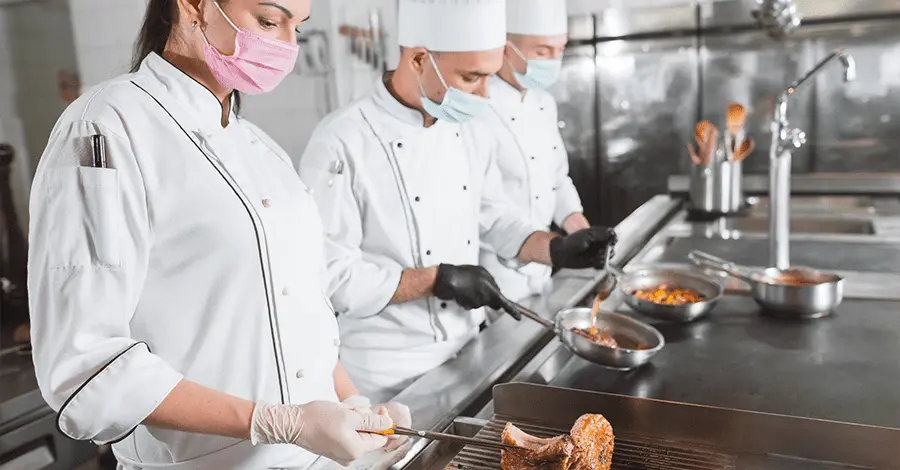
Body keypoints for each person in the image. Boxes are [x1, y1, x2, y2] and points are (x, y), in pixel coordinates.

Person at [27, 1, 408, 468]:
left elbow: (298, 315)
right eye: (269, 21)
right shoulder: (107, 126)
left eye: (298, 28)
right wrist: (275, 422)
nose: (287, 46)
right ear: (193, 6)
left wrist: (353, 404)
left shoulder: (261, 149)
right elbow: (85, 365)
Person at [296, 0, 616, 400]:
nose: (484, 94)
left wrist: (556, 248)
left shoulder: (467, 127)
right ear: (417, 59)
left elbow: (494, 216)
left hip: (467, 350)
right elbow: (331, 275)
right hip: (384, 375)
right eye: (471, 78)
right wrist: (437, 280)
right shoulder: (341, 141)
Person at [476, 0, 590, 305]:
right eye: (542, 51)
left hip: (543, 263)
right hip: (492, 271)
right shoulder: (476, 109)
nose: (554, 60)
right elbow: (483, 207)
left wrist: (575, 223)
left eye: (560, 49)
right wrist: (552, 248)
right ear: (505, 47)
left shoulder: (544, 102)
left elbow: (556, 178)